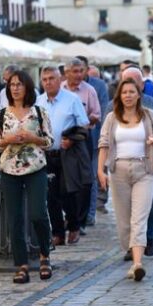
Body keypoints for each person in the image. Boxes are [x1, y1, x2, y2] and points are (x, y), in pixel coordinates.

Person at [98, 78, 153, 281]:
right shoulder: (112, 118)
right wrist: (100, 171)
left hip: (144, 170)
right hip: (118, 170)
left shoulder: (149, 115)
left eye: (131, 92)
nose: (128, 95)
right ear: (119, 96)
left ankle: (137, 264)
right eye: (124, 92)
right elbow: (103, 144)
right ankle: (130, 249)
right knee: (123, 221)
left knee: (139, 217)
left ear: (139, 95)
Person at [0, 70, 54, 284]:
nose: (15, 88)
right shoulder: (1, 114)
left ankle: (44, 255)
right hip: (8, 169)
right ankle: (22, 265)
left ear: (27, 87)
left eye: (19, 84)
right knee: (14, 219)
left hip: (35, 167)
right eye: (12, 85)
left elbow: (49, 141)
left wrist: (32, 137)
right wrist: (9, 138)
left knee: (38, 214)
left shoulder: (39, 112)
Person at [110, 67, 153, 258]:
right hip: (121, 167)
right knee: (126, 209)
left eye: (134, 84)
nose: (128, 91)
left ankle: (148, 237)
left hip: (147, 164)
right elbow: (106, 138)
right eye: (125, 85)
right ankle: (133, 246)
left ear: (141, 86)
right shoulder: (112, 108)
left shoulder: (152, 106)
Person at [35, 66, 89, 246]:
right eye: (45, 79)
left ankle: (73, 226)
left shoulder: (72, 99)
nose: (48, 82)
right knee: (50, 196)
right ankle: (57, 232)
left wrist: (72, 139)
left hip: (67, 154)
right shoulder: (38, 101)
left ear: (60, 80)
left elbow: (84, 125)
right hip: (45, 154)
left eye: (51, 78)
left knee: (67, 193)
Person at [61, 58, 101, 234]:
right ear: (66, 72)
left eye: (81, 71)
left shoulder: (89, 90)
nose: (79, 75)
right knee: (63, 182)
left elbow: (96, 114)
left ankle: (81, 219)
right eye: (75, 71)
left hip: (82, 138)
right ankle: (69, 219)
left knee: (85, 181)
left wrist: (80, 121)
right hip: (61, 139)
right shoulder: (59, 88)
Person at [77, 55, 110, 225]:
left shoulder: (97, 86)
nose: (78, 73)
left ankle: (90, 213)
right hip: (73, 140)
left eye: (80, 69)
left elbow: (103, 112)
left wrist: (104, 138)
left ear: (86, 69)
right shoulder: (64, 87)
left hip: (94, 137)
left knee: (91, 175)